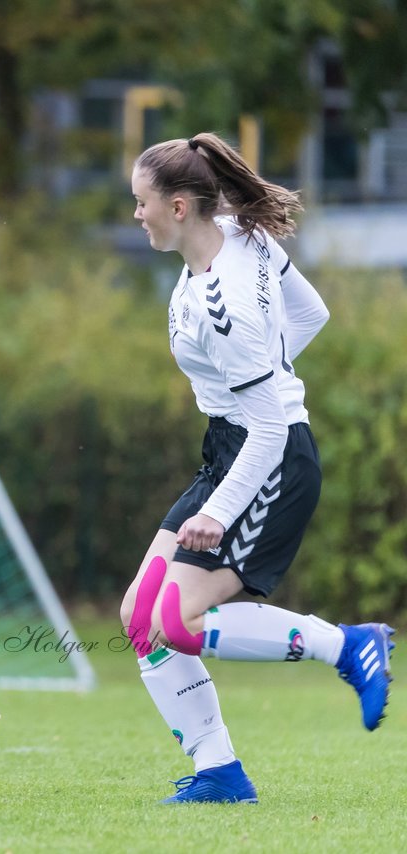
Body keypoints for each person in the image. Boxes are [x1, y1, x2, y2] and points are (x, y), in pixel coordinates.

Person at [120, 132, 394, 804]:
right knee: (140, 619)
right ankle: (219, 772)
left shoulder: (226, 304)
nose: (136, 214)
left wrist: (218, 511)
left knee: (176, 624)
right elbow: (311, 312)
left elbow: (269, 425)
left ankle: (348, 644)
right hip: (229, 447)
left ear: (179, 207)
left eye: (142, 202)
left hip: (268, 457)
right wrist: (268, 373)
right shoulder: (239, 235)